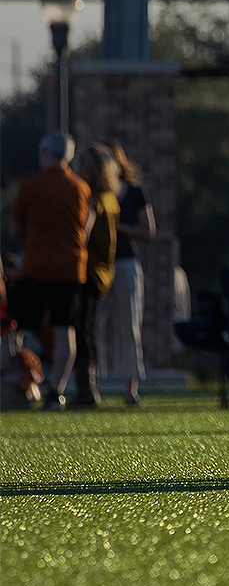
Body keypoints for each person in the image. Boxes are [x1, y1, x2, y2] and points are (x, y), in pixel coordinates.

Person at [8, 134, 92, 410]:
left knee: (14, 324)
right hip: (71, 268)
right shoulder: (80, 187)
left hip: (37, 266)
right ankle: (57, 391)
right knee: (64, 329)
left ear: (44, 152)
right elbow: (83, 230)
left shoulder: (31, 186)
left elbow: (16, 228)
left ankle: (15, 380)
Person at [67, 143, 120, 408]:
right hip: (103, 272)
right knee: (89, 330)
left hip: (86, 271)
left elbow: (82, 235)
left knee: (81, 331)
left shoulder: (91, 199)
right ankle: (90, 386)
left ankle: (85, 389)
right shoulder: (111, 198)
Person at [101, 142, 154, 405]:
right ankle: (91, 384)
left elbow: (148, 232)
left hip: (126, 263)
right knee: (94, 325)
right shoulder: (95, 192)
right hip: (98, 265)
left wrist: (116, 226)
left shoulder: (135, 193)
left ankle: (130, 388)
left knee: (129, 325)